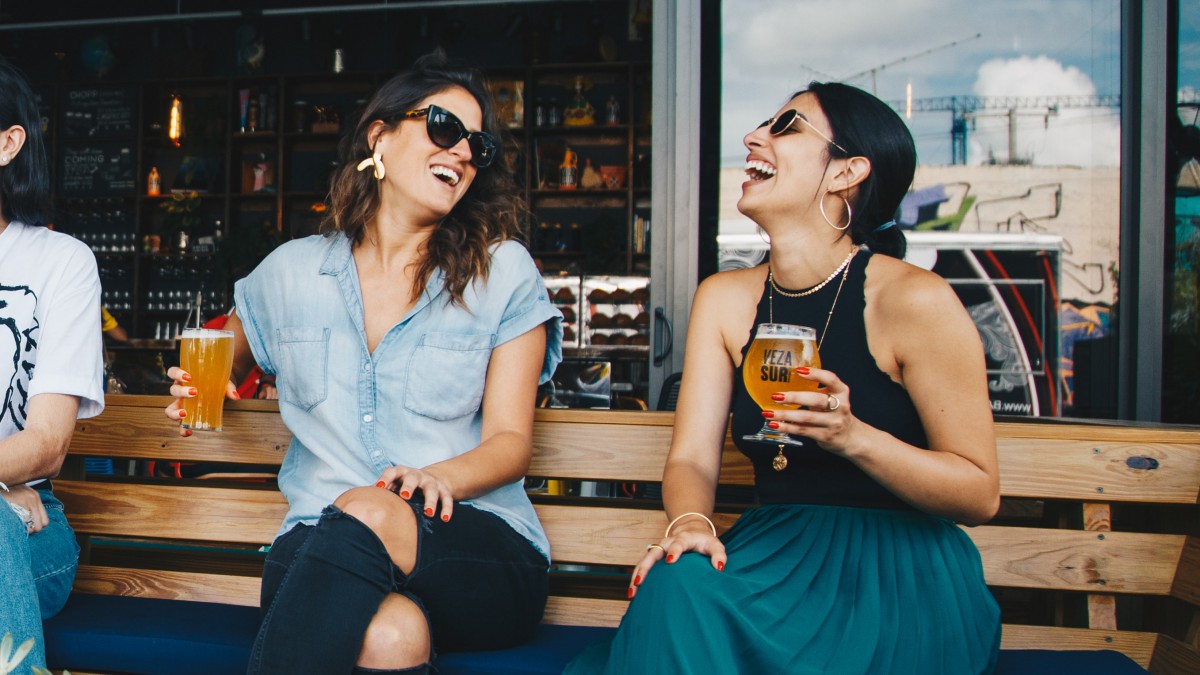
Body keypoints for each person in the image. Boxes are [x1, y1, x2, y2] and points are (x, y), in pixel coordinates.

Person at [566, 82, 1001, 674]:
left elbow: (979, 493)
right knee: (676, 585)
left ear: (846, 172)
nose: (753, 137)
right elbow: (692, 459)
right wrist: (692, 525)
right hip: (773, 557)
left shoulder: (914, 300)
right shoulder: (724, 299)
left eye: (786, 126)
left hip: (899, 573)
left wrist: (853, 437)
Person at [164, 53, 562, 674]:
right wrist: (197, 390)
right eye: (441, 126)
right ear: (380, 135)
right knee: (390, 637)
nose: (460, 151)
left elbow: (512, 444)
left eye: (475, 146)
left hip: (469, 542)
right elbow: (219, 362)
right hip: (320, 545)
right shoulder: (291, 272)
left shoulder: (502, 270)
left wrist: (440, 480)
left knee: (374, 506)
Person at [0, 59, 105, 674]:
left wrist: (11, 486)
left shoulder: (61, 262)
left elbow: (44, 447)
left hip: (31, 529)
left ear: (8, 142)